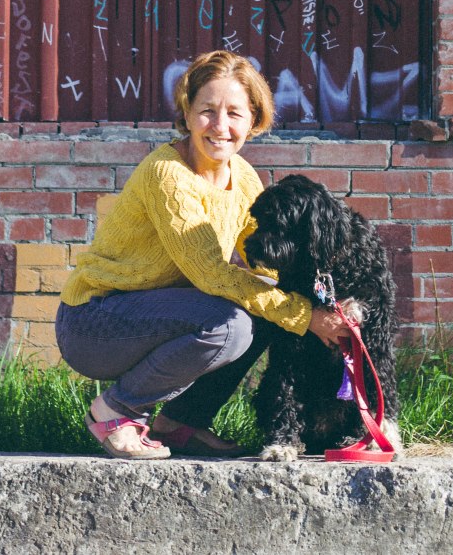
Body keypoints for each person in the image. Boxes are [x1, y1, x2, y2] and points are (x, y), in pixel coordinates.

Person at [55, 50, 350, 460]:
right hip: (95, 321)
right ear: (188, 113)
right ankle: (115, 411)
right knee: (231, 325)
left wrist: (329, 299)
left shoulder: (244, 176)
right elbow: (213, 275)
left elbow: (262, 264)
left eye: (234, 113)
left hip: (162, 313)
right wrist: (305, 316)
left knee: (263, 308)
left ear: (254, 119)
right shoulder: (168, 175)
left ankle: (180, 423)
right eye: (207, 111)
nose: (221, 126)